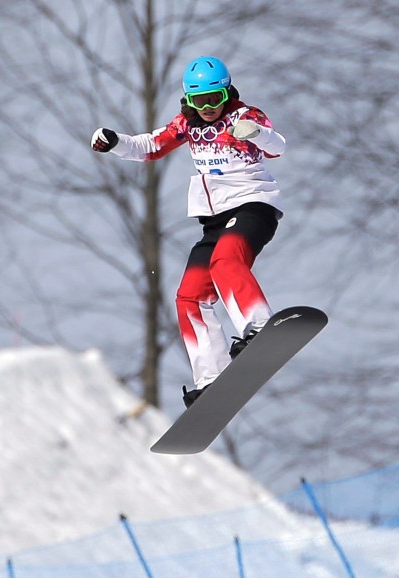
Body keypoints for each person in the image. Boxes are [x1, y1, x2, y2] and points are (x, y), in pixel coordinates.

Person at [91, 56, 286, 408]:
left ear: (227, 93)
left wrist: (257, 134)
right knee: (190, 295)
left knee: (225, 262)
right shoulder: (187, 124)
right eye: (200, 101)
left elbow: (278, 147)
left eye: (215, 98)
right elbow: (149, 146)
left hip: (252, 207)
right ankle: (212, 375)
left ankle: (258, 327)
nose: (209, 107)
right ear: (188, 100)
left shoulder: (244, 116)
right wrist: (114, 141)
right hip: (214, 220)